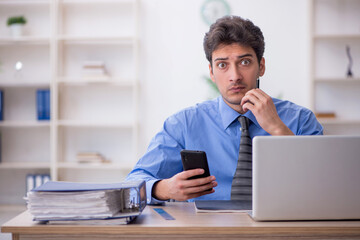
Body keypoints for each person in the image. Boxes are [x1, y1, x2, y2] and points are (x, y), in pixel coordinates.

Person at [126, 15, 323, 204]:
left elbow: (324, 185)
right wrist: (164, 189)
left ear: (261, 66)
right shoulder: (184, 124)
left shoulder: (300, 120)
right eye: (222, 65)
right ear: (211, 72)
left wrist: (279, 130)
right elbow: (132, 184)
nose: (234, 75)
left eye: (244, 62)